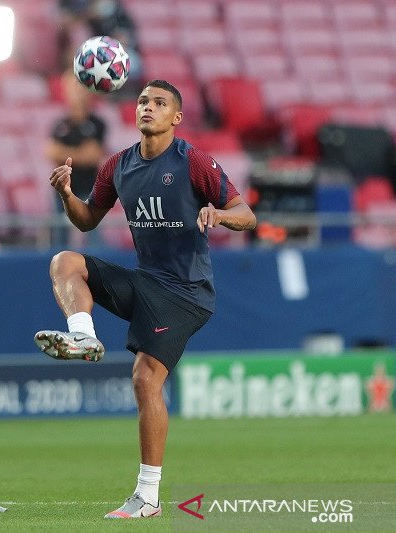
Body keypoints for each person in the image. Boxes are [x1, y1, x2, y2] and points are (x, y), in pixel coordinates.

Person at [34, 80, 257, 519]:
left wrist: (219, 213)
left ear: (176, 117)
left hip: (186, 292)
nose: (147, 108)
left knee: (144, 379)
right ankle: (82, 336)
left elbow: (247, 215)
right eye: (141, 102)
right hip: (148, 281)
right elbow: (87, 220)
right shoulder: (118, 165)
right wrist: (65, 194)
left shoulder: (193, 161)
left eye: (159, 103)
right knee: (65, 261)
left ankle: (148, 497)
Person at [46, 71, 107, 245]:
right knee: (59, 242)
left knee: (94, 242)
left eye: (80, 88)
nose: (76, 92)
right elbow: (51, 152)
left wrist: (64, 152)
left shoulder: (97, 123)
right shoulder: (59, 124)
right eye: (72, 88)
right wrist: (79, 153)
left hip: (89, 189)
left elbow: (92, 156)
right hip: (61, 190)